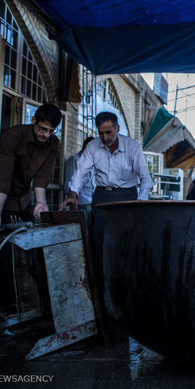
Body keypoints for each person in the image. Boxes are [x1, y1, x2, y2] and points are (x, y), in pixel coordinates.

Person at [0, 103, 62, 319]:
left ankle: (38, 301)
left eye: (50, 131)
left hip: (26, 198)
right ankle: (7, 306)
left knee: (36, 247)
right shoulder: (13, 136)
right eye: (42, 129)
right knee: (5, 250)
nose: (46, 134)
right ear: (34, 122)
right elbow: (2, 178)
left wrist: (40, 203)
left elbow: (42, 177)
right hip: (6, 198)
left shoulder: (52, 143)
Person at [60, 112, 153, 286]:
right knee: (100, 241)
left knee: (125, 242)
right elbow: (80, 173)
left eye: (109, 132)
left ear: (117, 129)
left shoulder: (133, 147)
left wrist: (140, 203)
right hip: (101, 196)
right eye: (101, 133)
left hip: (127, 197)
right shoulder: (93, 147)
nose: (105, 137)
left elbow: (146, 180)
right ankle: (101, 287)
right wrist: (73, 194)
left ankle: (125, 283)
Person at [63, 136, 96, 211]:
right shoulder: (75, 160)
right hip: (81, 203)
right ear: (84, 146)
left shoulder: (91, 161)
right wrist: (73, 201)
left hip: (92, 202)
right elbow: (69, 184)